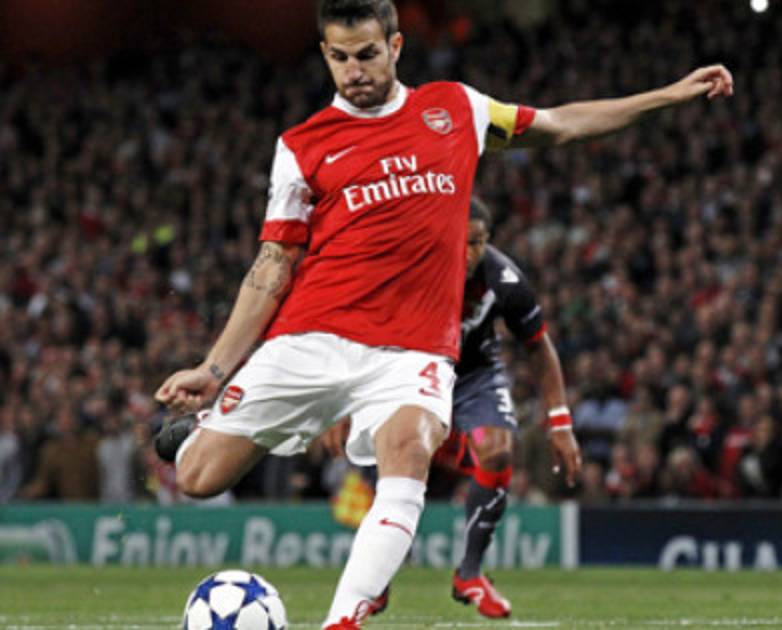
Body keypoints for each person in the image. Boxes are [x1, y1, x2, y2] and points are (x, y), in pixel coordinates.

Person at [151, 1, 732, 628]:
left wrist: (669, 95)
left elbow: (562, 124)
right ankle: (206, 424)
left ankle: (342, 620)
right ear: (325, 55)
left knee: (408, 455)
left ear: (396, 47)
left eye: (367, 54)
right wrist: (215, 368)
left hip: (412, 350)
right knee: (198, 477)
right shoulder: (301, 146)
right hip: (313, 335)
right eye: (340, 58)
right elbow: (272, 264)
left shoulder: (457, 109)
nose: (354, 71)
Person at [322, 197, 581, 619]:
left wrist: (560, 422)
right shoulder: (406, 270)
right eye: (461, 240)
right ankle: (374, 581)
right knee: (393, 466)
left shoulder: (504, 279)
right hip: (406, 371)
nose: (469, 252)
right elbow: (357, 332)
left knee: (497, 451)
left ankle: (470, 574)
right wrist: (341, 402)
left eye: (478, 242)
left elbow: (539, 346)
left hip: (472, 375)